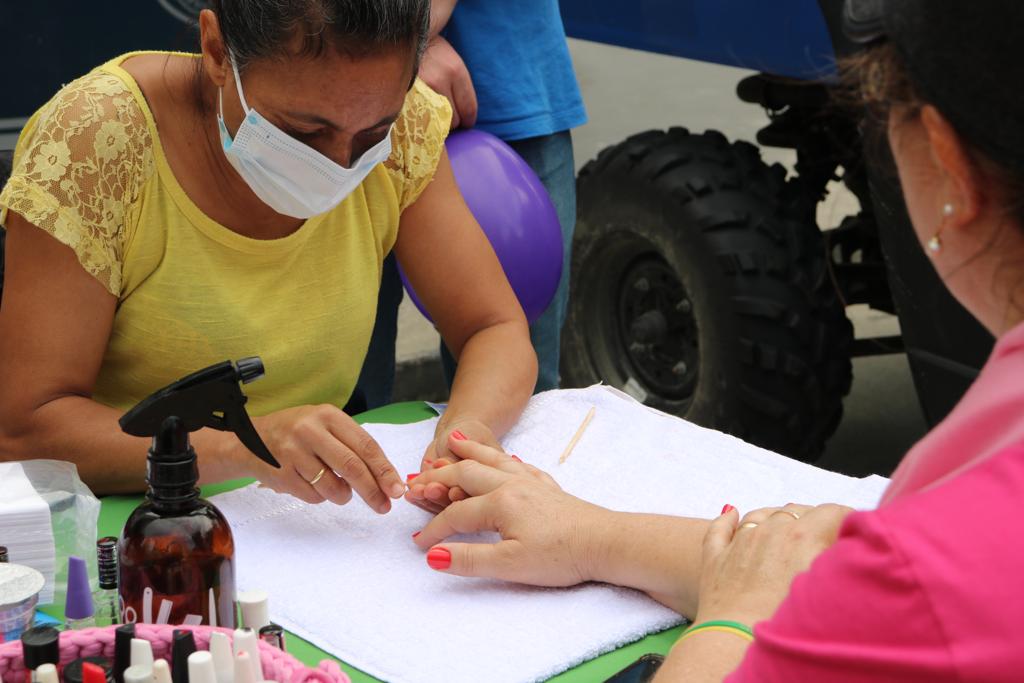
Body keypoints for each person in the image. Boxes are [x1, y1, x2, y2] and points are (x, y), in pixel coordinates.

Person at [404, 0, 1024, 679]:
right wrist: (590, 535)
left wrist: (735, 616)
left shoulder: (922, 575)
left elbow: (875, 576)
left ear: (948, 166)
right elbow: (845, 554)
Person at [0, 0, 538, 510]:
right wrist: (243, 448)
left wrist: (462, 440)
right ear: (216, 51)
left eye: (373, 132)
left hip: (309, 522)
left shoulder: (406, 127)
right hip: (130, 528)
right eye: (304, 131)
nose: (341, 164)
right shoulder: (100, 140)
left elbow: (493, 327)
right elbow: (26, 427)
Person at [353, 0, 586, 407]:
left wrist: (403, 37)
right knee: (349, 386)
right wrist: (403, 39)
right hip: (350, 88)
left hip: (506, 78)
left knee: (523, 393)